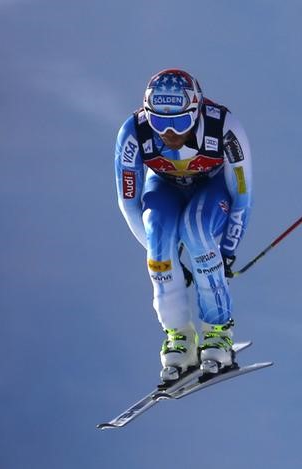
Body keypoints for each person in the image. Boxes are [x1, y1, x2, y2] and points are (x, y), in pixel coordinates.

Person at [114, 69, 253, 382]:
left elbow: (242, 195)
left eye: (178, 121)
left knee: (197, 232)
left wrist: (227, 250)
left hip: (211, 187)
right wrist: (171, 260)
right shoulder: (134, 133)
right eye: (159, 122)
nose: (168, 132)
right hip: (164, 187)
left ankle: (218, 332)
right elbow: (129, 202)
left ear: (197, 111)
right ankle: (179, 337)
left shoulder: (225, 129)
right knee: (159, 241)